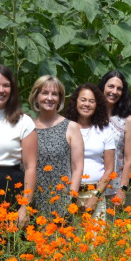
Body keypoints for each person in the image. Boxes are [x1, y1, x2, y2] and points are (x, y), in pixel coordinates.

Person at [0, 64, 37, 228]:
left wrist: (24, 207)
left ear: (12, 89)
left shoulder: (24, 122)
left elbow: (30, 167)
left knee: (13, 249)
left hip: (12, 191)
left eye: (6, 85)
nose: (0, 90)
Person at [29, 76, 84, 217]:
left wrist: (71, 200)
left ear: (60, 99)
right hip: (32, 201)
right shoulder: (27, 127)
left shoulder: (71, 127)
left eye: (54, 94)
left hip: (61, 202)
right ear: (36, 97)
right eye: (45, 93)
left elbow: (77, 168)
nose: (50, 98)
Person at [64, 83, 115, 218]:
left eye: (91, 101)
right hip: (68, 194)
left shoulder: (105, 130)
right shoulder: (65, 128)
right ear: (75, 102)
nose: (87, 104)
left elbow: (109, 169)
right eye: (83, 100)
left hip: (95, 194)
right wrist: (70, 197)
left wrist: (96, 197)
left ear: (97, 105)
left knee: (96, 238)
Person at [98, 71, 131, 208]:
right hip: (90, 186)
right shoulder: (90, 115)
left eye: (119, 88)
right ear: (103, 87)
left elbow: (128, 159)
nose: (114, 91)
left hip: (114, 189)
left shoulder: (127, 120)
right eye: (110, 86)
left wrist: (122, 190)